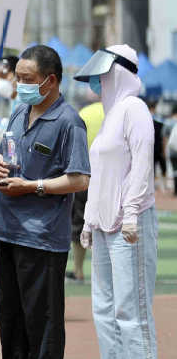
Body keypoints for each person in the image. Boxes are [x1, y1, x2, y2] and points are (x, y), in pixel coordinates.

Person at [0, 45, 90, 359]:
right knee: (10, 314)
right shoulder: (20, 110)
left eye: (26, 79)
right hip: (6, 226)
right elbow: (5, 149)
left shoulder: (69, 121)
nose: (19, 85)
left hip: (42, 234)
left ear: (50, 81)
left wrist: (34, 186)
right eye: (18, 78)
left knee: (42, 317)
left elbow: (79, 178)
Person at [75, 46, 160, 359]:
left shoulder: (134, 109)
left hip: (130, 219)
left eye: (103, 74)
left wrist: (130, 214)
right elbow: (101, 175)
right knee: (104, 304)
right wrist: (89, 220)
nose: (97, 81)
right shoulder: (110, 114)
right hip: (104, 220)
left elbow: (141, 164)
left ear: (119, 72)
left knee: (131, 303)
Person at [68, 93, 104, 284]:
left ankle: (78, 271)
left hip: (85, 176)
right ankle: (106, 273)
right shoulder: (117, 112)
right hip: (110, 179)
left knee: (79, 223)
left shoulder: (84, 113)